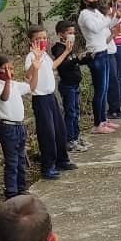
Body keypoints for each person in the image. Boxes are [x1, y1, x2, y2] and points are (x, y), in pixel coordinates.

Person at [23, 26, 77, 178]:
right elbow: (27, 75)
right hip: (40, 99)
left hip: (51, 96)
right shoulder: (31, 56)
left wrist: (66, 52)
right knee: (47, 133)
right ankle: (48, 166)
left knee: (59, 130)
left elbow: (52, 66)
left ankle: (62, 159)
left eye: (44, 38)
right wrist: (35, 64)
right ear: (31, 41)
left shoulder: (45, 55)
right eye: (38, 39)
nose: (42, 41)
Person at [0, 55, 37, 200]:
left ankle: (21, 188)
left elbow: (32, 87)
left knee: (21, 159)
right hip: (7, 127)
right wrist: (8, 80)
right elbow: (4, 97)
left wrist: (36, 69)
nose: (9, 71)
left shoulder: (15, 84)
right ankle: (11, 191)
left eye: (11, 68)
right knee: (12, 161)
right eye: (4, 68)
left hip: (19, 126)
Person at [77, 0, 118, 135]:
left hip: (104, 49)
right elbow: (95, 28)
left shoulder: (97, 12)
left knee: (105, 87)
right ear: (84, 0)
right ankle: (97, 124)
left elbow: (106, 25)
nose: (94, 0)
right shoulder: (85, 14)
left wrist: (114, 17)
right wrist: (108, 18)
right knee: (100, 90)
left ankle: (103, 118)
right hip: (95, 53)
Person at [52, 21, 88, 153]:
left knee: (76, 112)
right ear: (60, 34)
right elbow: (63, 65)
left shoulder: (69, 47)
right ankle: (70, 139)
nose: (72, 35)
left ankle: (76, 137)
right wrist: (75, 59)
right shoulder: (59, 48)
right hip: (67, 85)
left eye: (73, 33)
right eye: (69, 33)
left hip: (75, 84)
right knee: (70, 113)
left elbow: (74, 62)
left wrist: (85, 58)